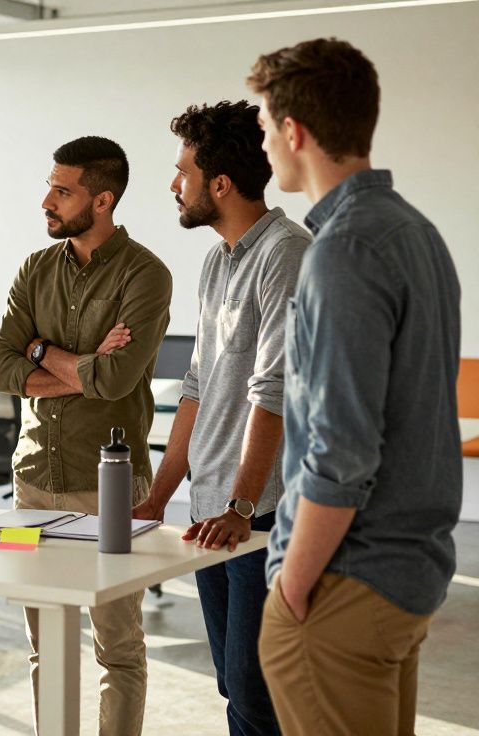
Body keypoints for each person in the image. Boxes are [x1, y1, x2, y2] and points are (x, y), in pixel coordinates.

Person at [248, 38, 462, 736]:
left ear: (294, 131)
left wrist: (292, 586)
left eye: (263, 126)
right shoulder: (416, 234)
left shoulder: (342, 252)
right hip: (407, 576)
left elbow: (340, 452)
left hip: (344, 582)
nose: (264, 145)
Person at [132, 101, 309, 736]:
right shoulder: (215, 260)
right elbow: (200, 386)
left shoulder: (287, 254)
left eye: (182, 172)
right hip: (211, 511)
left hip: (260, 514)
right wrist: (158, 495)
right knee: (236, 687)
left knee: (261, 694)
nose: (173, 185)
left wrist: (240, 506)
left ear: (220, 184)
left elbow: (276, 389)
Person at [0, 136, 171, 736]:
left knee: (116, 647)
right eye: (51, 185)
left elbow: (119, 381)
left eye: (62, 191)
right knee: (44, 644)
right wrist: (81, 363)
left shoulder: (147, 274)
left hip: (111, 485)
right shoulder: (35, 267)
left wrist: (44, 353)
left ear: (102, 199)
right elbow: (2, 366)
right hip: (33, 479)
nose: (47, 199)